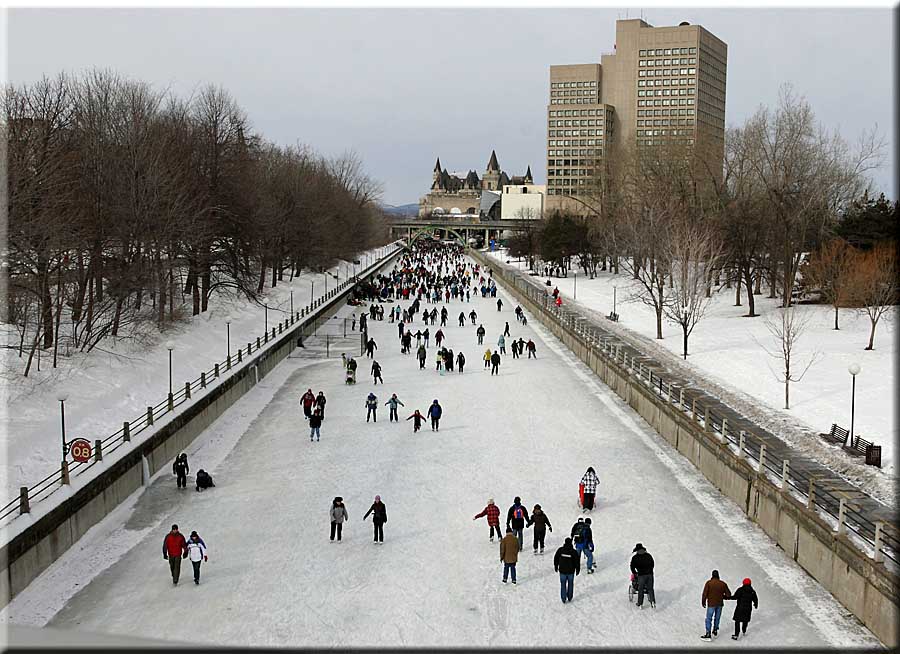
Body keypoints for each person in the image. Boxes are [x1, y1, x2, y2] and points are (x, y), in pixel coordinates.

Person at [701, 570, 731, 639]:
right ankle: (715, 630)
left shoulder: (709, 583)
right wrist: (723, 597)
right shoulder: (723, 584)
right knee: (717, 618)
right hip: (720, 604)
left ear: (712, 575)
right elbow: (728, 594)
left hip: (711, 604)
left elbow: (705, 593)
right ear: (718, 575)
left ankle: (708, 633)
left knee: (709, 618)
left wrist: (703, 601)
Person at [554, 537, 580, 604]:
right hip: (571, 571)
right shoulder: (573, 552)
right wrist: (577, 569)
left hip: (562, 571)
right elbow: (577, 561)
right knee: (570, 584)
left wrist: (556, 566)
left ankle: (563, 598)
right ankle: (570, 597)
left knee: (563, 584)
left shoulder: (560, 550)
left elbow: (556, 558)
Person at [630, 543, 656, 608]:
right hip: (650, 574)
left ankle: (640, 604)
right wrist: (650, 570)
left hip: (641, 575)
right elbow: (652, 564)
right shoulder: (648, 556)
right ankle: (652, 602)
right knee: (650, 589)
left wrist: (635, 573)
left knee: (640, 589)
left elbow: (632, 566)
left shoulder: (635, 558)